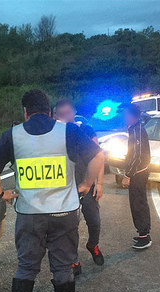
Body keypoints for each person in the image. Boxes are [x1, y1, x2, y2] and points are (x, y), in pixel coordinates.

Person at [0, 90, 103, 292]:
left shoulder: (13, 135)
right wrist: (85, 184)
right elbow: (98, 155)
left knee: (26, 267)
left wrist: (1, 194)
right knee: (62, 267)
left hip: (30, 216)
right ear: (49, 110)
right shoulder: (68, 131)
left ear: (25, 112)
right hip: (64, 213)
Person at [54, 99, 104, 270]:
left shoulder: (85, 130)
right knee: (70, 227)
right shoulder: (56, 134)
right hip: (67, 189)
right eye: (61, 114)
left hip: (87, 186)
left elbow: (98, 156)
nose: (65, 117)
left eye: (67, 113)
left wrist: (99, 183)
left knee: (94, 222)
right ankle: (74, 260)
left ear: (74, 112)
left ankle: (93, 245)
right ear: (55, 116)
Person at [121, 104, 152, 250]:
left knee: (138, 203)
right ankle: (142, 233)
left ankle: (144, 236)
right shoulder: (133, 129)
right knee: (136, 203)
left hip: (139, 173)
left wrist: (128, 175)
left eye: (126, 114)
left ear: (132, 116)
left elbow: (137, 155)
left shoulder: (138, 130)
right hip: (138, 172)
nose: (124, 117)